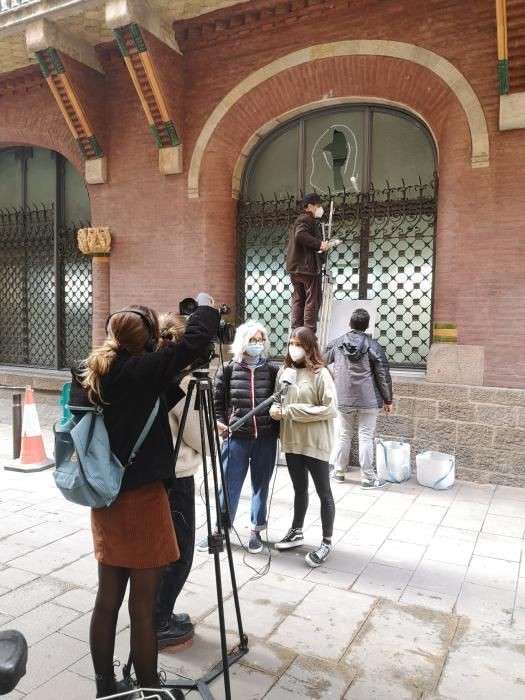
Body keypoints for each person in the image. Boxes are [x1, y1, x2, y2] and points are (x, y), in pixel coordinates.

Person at [70, 297, 219, 699]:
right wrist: (205, 308)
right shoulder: (142, 370)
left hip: (106, 499)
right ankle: (150, 686)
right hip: (143, 501)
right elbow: (194, 340)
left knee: (108, 598)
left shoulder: (100, 370)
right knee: (143, 606)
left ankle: (106, 688)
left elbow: (148, 403)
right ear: (150, 340)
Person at [197, 320, 279, 554]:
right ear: (243, 341)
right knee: (228, 486)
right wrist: (220, 425)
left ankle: (256, 530)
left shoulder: (272, 370)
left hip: (265, 437)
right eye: (252, 339)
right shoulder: (229, 369)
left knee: (261, 486)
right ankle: (220, 530)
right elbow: (217, 404)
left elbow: (279, 401)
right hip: (236, 438)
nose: (257, 344)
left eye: (260, 339)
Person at [155, 312, 208, 650]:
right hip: (178, 477)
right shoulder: (183, 382)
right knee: (180, 553)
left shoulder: (148, 369)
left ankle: (152, 613)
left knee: (157, 552)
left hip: (151, 476)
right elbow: (200, 437)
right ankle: (159, 621)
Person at [270, 327, 338, 568]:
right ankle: (296, 530)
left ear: (309, 347)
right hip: (292, 441)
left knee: (323, 492)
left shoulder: (321, 374)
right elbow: (278, 399)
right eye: (290, 342)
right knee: (300, 489)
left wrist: (293, 411)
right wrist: (275, 410)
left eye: (298, 343)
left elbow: (330, 409)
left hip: (315, 441)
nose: (293, 347)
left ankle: (326, 541)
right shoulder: (285, 372)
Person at [324, 307, 393, 489]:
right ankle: (367, 478)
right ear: (367, 325)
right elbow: (382, 375)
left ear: (350, 323)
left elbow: (320, 361)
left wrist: (332, 382)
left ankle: (338, 472)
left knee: (344, 435)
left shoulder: (337, 344)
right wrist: (388, 400)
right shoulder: (373, 346)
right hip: (368, 400)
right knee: (365, 437)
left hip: (343, 398)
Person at [286, 192, 328, 333]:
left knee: (300, 299)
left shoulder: (301, 219)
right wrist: (319, 244)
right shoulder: (306, 218)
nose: (320, 208)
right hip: (307, 268)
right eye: (318, 205)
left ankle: (296, 332)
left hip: (297, 268)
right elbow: (300, 235)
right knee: (312, 300)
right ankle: (307, 333)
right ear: (310, 206)